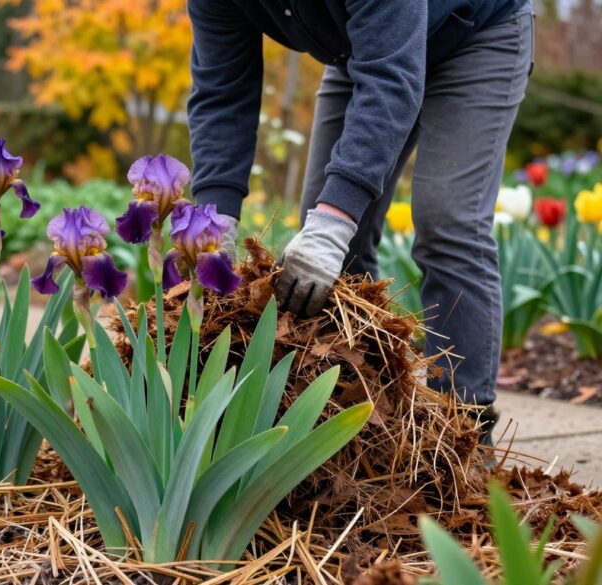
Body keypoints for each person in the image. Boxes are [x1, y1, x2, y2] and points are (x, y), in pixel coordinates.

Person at [187, 0, 534, 444]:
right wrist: (216, 219)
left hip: (473, 36)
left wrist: (335, 220)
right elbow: (222, 91)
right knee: (326, 245)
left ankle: (463, 431)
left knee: (447, 221)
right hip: (367, 52)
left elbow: (394, 81)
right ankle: (361, 418)